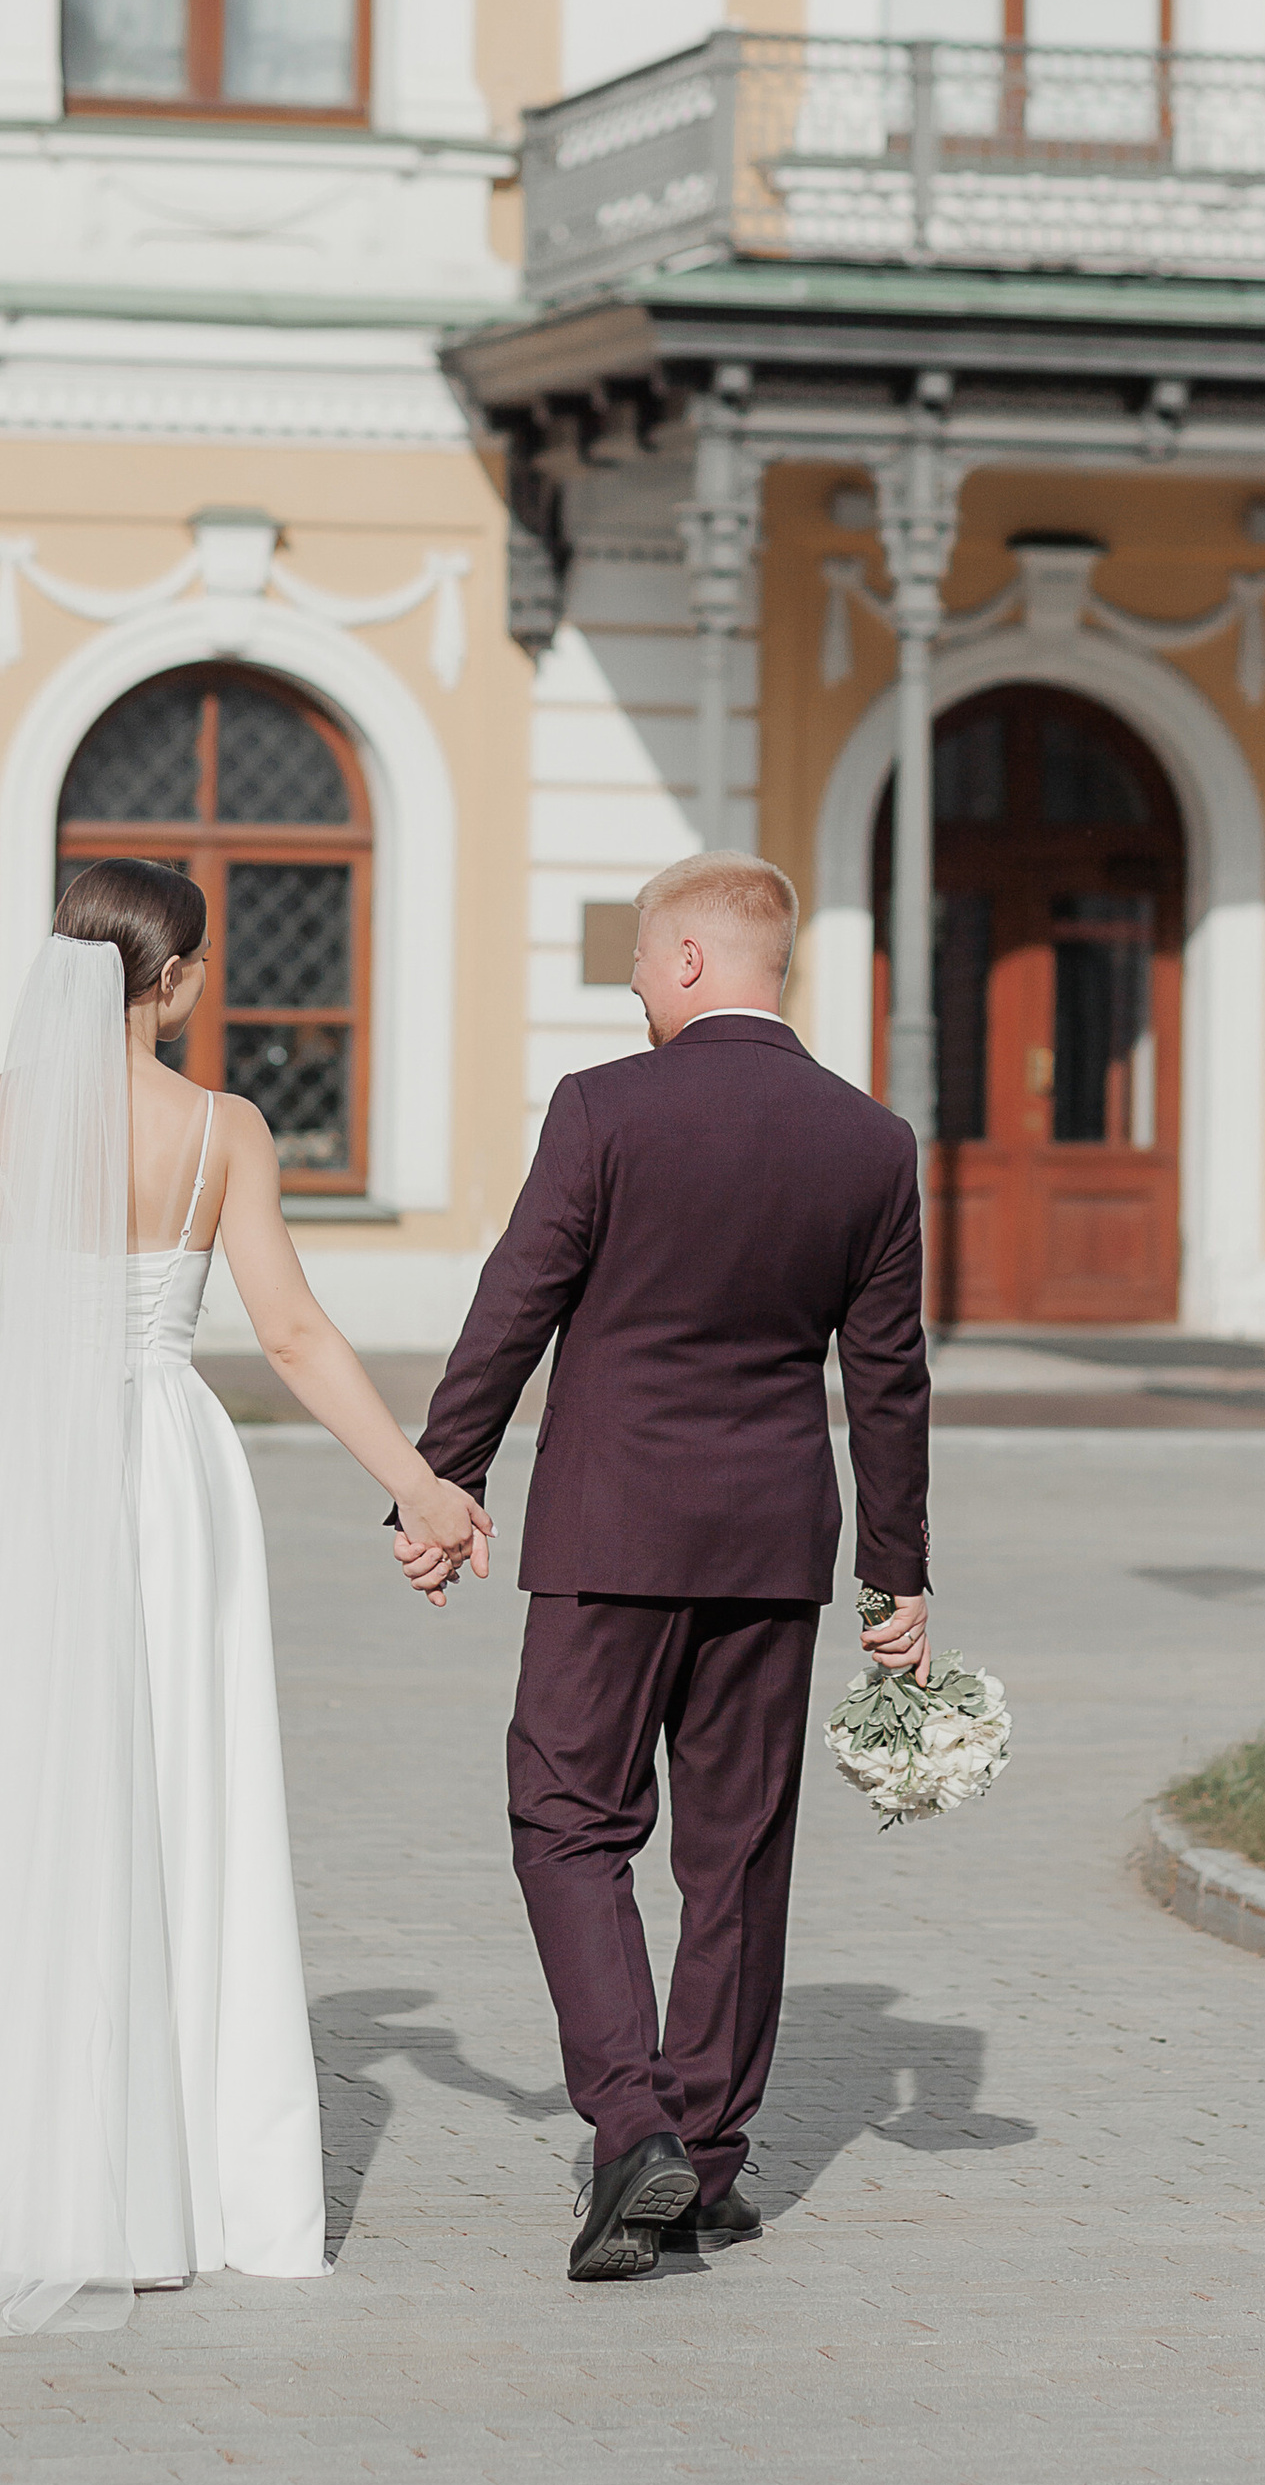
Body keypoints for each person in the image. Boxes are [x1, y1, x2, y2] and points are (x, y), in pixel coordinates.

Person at [0, 859, 491, 2337]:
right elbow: (294, 1332)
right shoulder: (226, 1131)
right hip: (164, 1474)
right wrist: (419, 1481)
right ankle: (167, 2189)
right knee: (170, 1800)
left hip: (16, 1460)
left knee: (4, 1800)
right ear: (184, 981)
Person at [393, 849, 932, 2284]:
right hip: (773, 1543)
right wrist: (900, 1573)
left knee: (569, 1818)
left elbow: (519, 1300)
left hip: (610, 1531)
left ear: (692, 960)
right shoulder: (872, 1143)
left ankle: (633, 2128)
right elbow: (889, 1382)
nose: (633, 985)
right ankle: (709, 2159)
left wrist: (443, 1481)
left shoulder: (603, 1111)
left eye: (641, 958)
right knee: (738, 1850)